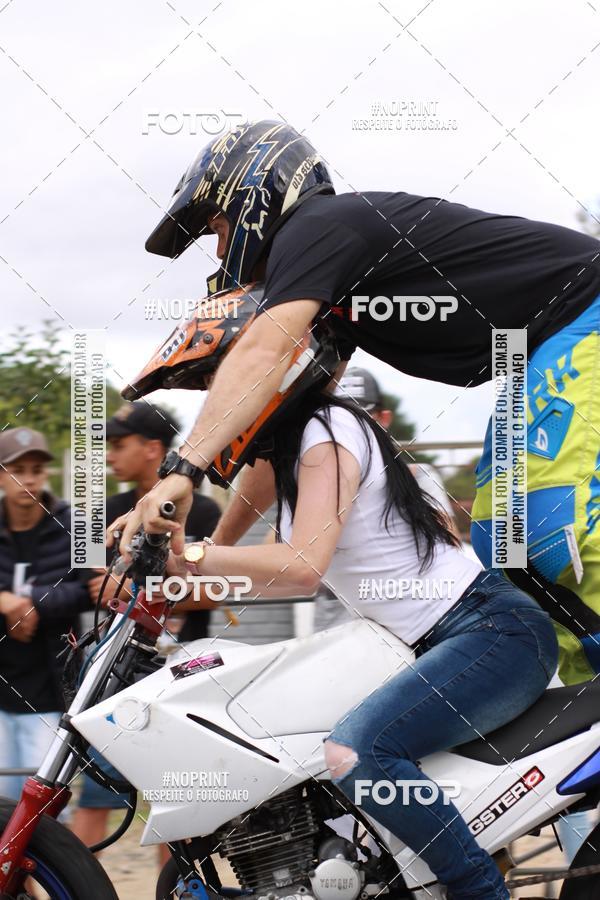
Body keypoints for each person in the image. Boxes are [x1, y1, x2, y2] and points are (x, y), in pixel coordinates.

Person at [114, 119, 600, 695]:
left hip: (580, 318)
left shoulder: (318, 227)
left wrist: (183, 472)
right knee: (505, 537)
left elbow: (266, 349)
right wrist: (215, 546)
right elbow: (281, 421)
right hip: (531, 353)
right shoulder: (335, 289)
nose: (220, 249)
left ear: (254, 196)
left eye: (218, 227)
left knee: (549, 525)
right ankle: (581, 712)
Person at [156, 372, 558, 899]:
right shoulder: (293, 449)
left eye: (232, 385)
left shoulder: (327, 428)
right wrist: (190, 573)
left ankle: (481, 890)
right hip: (445, 639)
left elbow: (301, 567)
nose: (222, 405)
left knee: (358, 751)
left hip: (489, 630)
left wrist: (188, 554)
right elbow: (272, 547)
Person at [71, 401, 220, 853]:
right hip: (114, 675)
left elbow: (214, 589)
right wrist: (168, 585)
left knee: (178, 810)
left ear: (153, 448)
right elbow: (92, 588)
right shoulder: (102, 512)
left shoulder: (206, 510)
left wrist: (136, 585)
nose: (110, 455)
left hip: (181, 674)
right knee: (93, 798)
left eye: (120, 444)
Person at [0, 427, 93, 801]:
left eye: (37, 469)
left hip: (51, 692)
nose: (29, 479)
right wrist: (5, 602)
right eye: (17, 470)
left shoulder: (81, 525)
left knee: (44, 807)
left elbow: (97, 590)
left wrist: (34, 601)